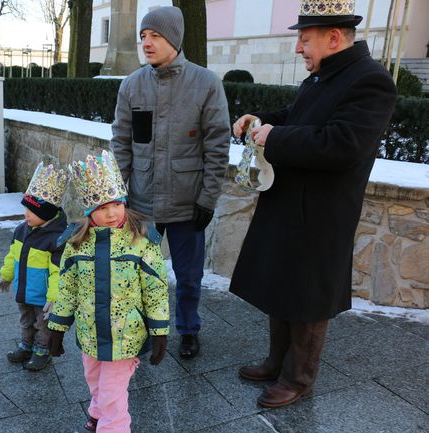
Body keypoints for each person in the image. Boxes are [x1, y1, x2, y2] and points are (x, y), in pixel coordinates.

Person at [229, 0, 397, 409]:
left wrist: (274, 138)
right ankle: (276, 362)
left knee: (307, 296)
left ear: (333, 37)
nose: (298, 48)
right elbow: (294, 115)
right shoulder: (324, 75)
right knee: (282, 282)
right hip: (290, 202)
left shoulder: (371, 81)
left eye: (304, 39)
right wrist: (258, 119)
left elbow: (342, 146)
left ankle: (298, 378)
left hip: (323, 213)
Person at [110, 6, 230, 359]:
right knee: (137, 273)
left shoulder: (206, 84)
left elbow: (217, 145)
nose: (146, 43)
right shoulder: (132, 85)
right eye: (143, 36)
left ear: (174, 39)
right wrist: (118, 198)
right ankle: (142, 329)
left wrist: (207, 199)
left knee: (189, 276)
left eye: (155, 36)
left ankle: (189, 329)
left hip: (186, 202)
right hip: (142, 203)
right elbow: (121, 143)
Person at [48, 150, 170, 433]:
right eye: (102, 207)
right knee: (95, 380)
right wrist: (57, 327)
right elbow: (67, 288)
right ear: (90, 212)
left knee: (114, 396)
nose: (111, 213)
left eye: (116, 204)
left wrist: (160, 330)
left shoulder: (142, 241)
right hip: (90, 333)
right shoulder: (76, 244)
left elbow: (155, 289)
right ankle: (96, 412)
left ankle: (111, 425)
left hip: (126, 336)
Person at [0, 162, 69, 371]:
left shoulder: (56, 240)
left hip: (43, 297)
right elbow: (12, 256)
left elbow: (58, 271)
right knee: (25, 321)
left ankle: (42, 352)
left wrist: (54, 297)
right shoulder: (21, 230)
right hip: (23, 290)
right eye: (25, 210)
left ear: (45, 214)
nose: (25, 214)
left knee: (43, 326)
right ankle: (26, 346)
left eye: (30, 211)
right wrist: (6, 276)